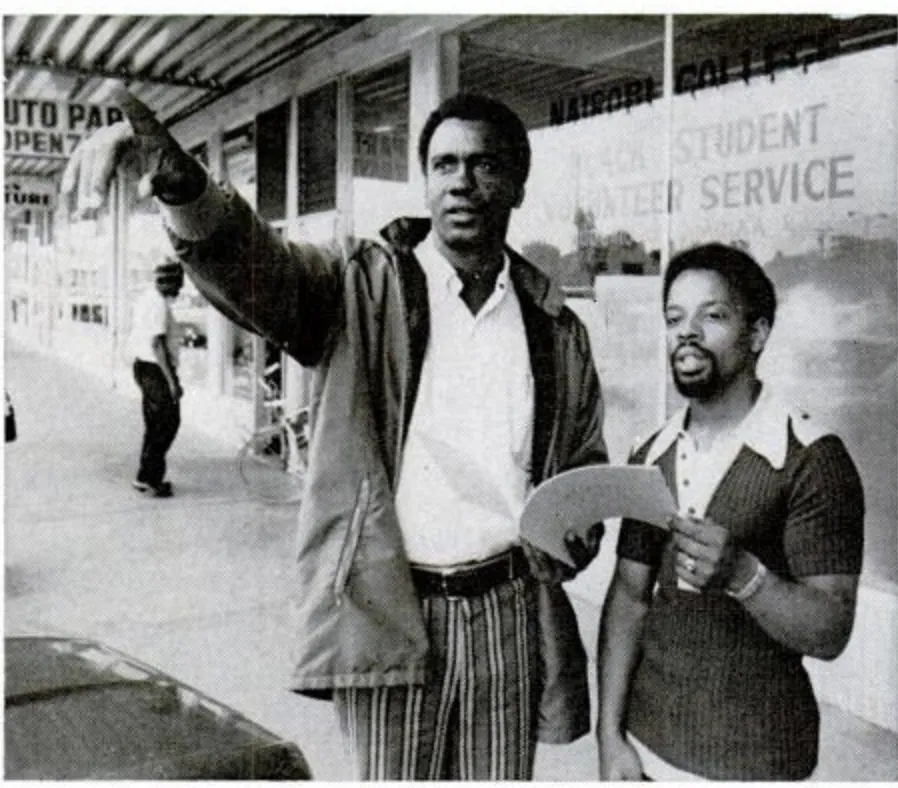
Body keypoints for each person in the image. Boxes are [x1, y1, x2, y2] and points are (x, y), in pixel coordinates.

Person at [62, 88, 608, 780]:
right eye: (444, 165)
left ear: (518, 184)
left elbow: (584, 468)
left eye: (483, 165)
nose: (462, 183)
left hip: (506, 613)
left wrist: (574, 535)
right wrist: (187, 192)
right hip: (387, 605)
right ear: (426, 182)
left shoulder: (554, 327)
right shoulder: (362, 283)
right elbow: (263, 272)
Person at [597, 243, 865, 781]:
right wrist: (609, 736)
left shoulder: (812, 457)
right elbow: (628, 598)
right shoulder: (652, 452)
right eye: (674, 318)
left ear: (758, 334)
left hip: (758, 759)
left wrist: (745, 576)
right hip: (647, 750)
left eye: (712, 315)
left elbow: (831, 630)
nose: (686, 332)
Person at [129, 259, 184, 498]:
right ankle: (151, 479)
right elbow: (157, 344)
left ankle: (144, 476)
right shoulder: (158, 304)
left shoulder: (147, 298)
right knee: (168, 422)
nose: (179, 291)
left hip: (144, 367)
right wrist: (172, 382)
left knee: (155, 424)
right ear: (167, 282)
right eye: (177, 285)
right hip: (154, 369)